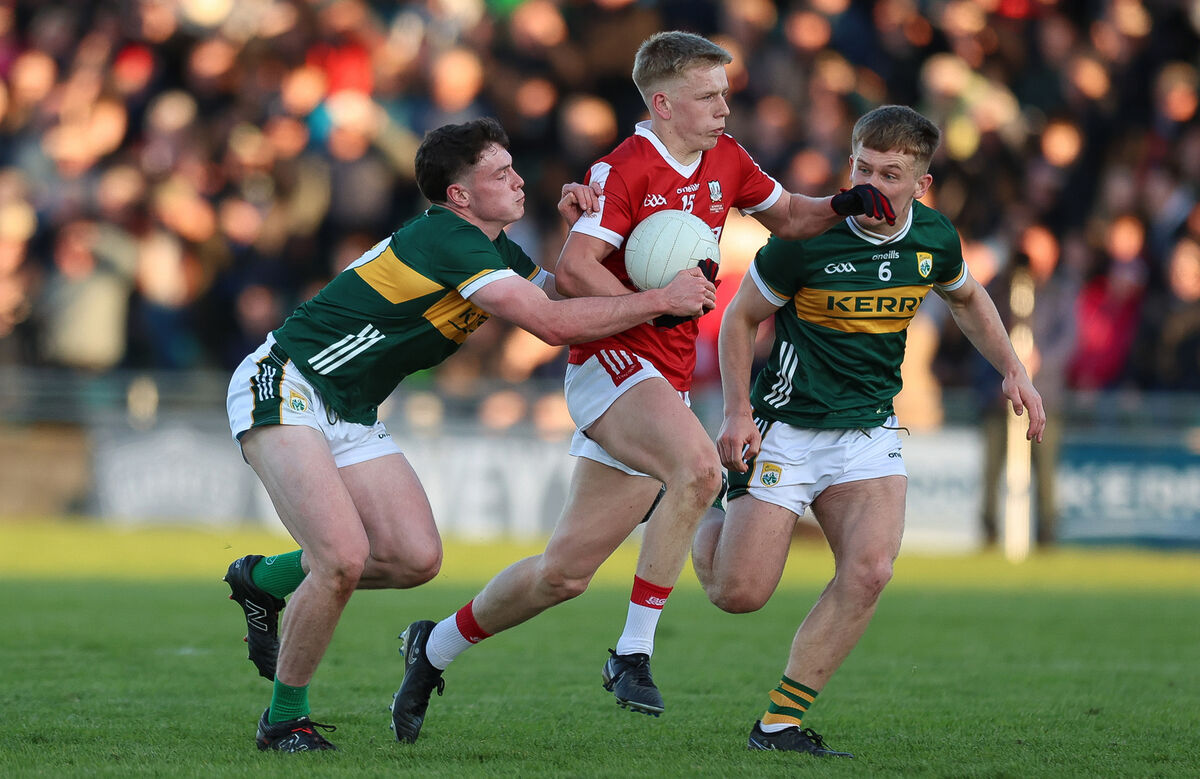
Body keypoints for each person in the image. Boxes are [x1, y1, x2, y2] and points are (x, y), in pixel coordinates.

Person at [389, 31, 895, 743]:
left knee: (561, 574)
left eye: (726, 92)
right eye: (708, 95)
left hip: (666, 373)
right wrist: (656, 299)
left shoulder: (728, 158)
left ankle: (431, 646)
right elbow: (574, 271)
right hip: (612, 361)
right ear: (662, 102)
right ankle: (632, 651)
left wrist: (846, 204)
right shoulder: (623, 167)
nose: (725, 106)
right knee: (695, 467)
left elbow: (790, 218)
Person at [222, 116, 717, 752]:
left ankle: (263, 581)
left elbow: (565, 292)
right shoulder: (447, 239)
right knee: (342, 559)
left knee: (414, 559)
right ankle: (285, 720)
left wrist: (581, 231)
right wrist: (662, 298)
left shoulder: (494, 251)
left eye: (514, 168)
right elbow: (552, 323)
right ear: (459, 196)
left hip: (349, 407)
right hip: (287, 380)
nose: (518, 180)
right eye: (499, 173)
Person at [689, 104, 1046, 757]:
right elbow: (740, 320)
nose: (872, 183)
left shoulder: (934, 239)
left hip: (868, 431)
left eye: (890, 172)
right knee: (736, 592)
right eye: (862, 167)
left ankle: (778, 725)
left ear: (921, 184)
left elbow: (966, 298)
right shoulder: (807, 238)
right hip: (786, 427)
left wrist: (1014, 371)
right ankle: (712, 497)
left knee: (871, 570)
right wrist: (737, 410)